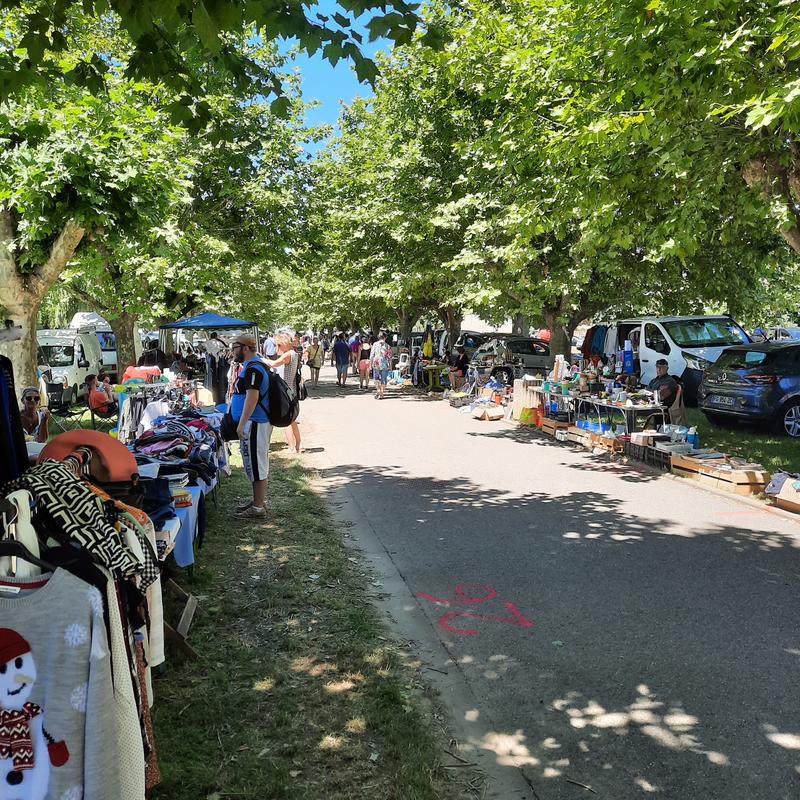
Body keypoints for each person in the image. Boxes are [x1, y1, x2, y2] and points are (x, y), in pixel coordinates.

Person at [229, 334, 272, 518]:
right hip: (254, 422)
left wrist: (242, 422)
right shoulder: (253, 366)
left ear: (244, 348)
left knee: (257, 463)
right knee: (254, 463)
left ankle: (258, 507)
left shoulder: (254, 369)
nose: (232, 351)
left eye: (234, 347)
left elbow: (252, 397)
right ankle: (257, 501)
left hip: (256, 422)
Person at [265, 332, 302, 453]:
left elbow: (273, 363)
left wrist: (257, 358)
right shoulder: (294, 354)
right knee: (292, 420)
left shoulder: (287, 355)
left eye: (279, 345)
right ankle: (298, 444)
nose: (277, 348)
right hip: (292, 391)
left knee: (286, 420)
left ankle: (292, 447)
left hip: (285, 392)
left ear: (285, 344)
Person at [370, 331, 392, 399]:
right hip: (384, 363)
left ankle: (378, 390)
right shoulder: (388, 346)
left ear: (378, 337)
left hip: (376, 362)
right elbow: (389, 357)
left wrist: (370, 364)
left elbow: (371, 355)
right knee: (383, 379)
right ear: (385, 337)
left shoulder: (375, 344)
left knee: (376, 378)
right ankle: (381, 392)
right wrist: (390, 366)